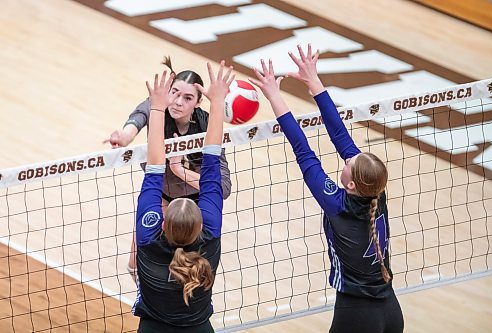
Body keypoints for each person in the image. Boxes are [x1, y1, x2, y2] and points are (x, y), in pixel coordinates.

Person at [248, 45, 404, 333]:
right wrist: (314, 82)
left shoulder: (338, 204)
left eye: (350, 162)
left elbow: (303, 150)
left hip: (357, 317)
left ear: (352, 183)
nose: (347, 156)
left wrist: (274, 96)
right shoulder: (376, 192)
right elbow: (340, 135)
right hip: (391, 311)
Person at [104, 57, 232, 281]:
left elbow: (224, 188)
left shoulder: (206, 126)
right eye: (175, 93)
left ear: (198, 102)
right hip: (161, 196)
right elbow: (140, 115)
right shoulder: (158, 104)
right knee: (135, 264)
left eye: (188, 98)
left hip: (193, 206)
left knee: (186, 270)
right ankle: (147, 297)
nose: (178, 102)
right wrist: (125, 136)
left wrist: (179, 169)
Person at [132, 61, 234, 332]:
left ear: (162, 223)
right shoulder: (208, 236)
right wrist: (219, 103)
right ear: (200, 224)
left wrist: (156, 105)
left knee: (134, 267)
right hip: (198, 326)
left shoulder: (148, 240)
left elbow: (154, 167)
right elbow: (211, 165)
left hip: (153, 325)